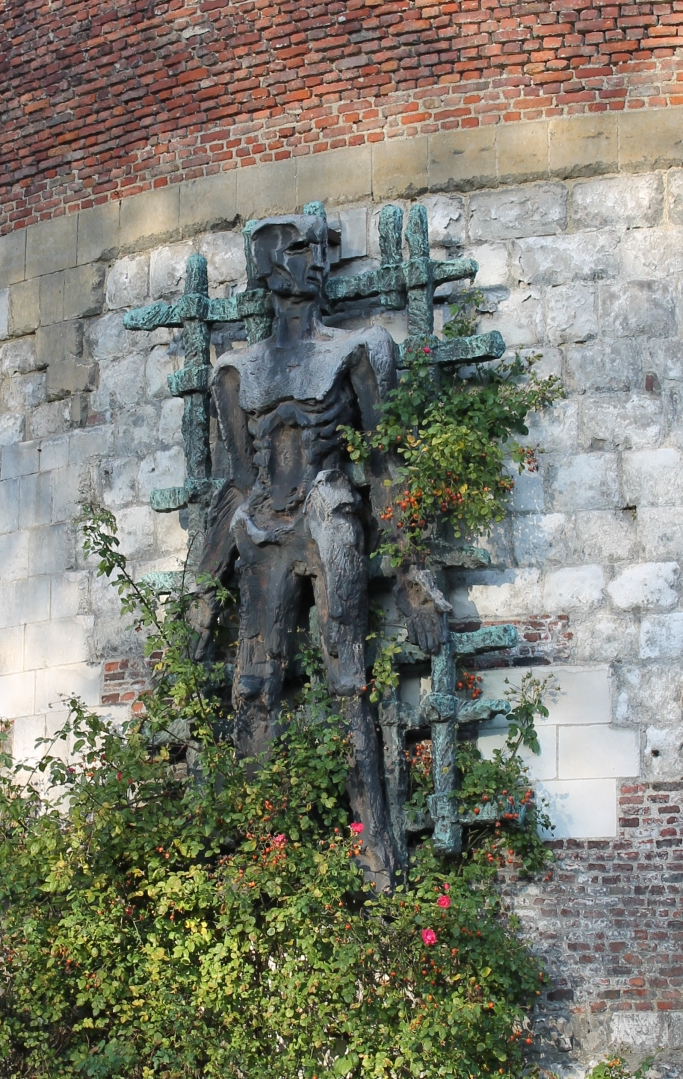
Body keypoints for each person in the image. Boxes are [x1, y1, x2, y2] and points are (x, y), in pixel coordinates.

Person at [190, 211, 448, 888]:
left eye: (327, 247)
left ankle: (378, 857)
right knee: (254, 685)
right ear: (269, 265)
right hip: (262, 527)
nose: (321, 260)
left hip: (328, 510)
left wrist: (416, 572)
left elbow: (384, 463)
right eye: (304, 248)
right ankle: (256, 858)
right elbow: (237, 483)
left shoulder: (359, 350)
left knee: (348, 680)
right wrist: (202, 587)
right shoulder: (234, 370)